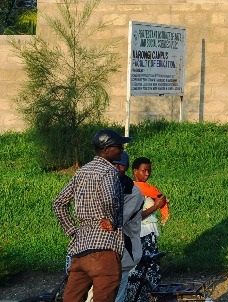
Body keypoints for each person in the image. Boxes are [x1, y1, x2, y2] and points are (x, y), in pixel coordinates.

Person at [52, 128, 131, 302]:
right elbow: (110, 199)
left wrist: (72, 230)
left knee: (72, 298)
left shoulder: (81, 172)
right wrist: (111, 220)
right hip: (105, 249)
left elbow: (58, 203)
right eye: (119, 147)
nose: (122, 150)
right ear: (107, 149)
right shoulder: (109, 172)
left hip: (80, 251)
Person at [126, 157, 168, 302]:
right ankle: (139, 297)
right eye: (144, 171)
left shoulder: (147, 189)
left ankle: (151, 296)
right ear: (135, 171)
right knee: (140, 268)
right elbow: (135, 216)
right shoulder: (133, 189)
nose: (147, 174)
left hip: (149, 233)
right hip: (139, 234)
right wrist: (156, 206)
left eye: (149, 171)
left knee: (151, 266)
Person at [111, 152, 144, 302]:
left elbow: (117, 221)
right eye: (113, 163)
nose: (116, 167)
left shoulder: (133, 192)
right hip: (101, 253)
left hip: (123, 251)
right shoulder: (103, 185)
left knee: (116, 297)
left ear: (127, 167)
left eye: (120, 164)